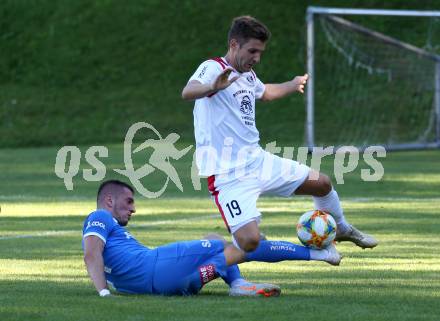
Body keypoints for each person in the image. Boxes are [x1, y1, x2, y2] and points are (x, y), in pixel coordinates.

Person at [181, 16, 378, 255]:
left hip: (258, 161)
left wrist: (292, 84)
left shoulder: (248, 75)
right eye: (252, 51)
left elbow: (265, 92)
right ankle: (215, 246)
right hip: (228, 175)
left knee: (322, 183)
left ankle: (342, 228)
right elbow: (188, 91)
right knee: (249, 241)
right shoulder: (214, 68)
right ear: (234, 45)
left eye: (261, 52)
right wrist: (213, 86)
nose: (257, 58)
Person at [82, 180, 342, 297]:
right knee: (240, 243)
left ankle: (238, 283)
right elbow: (91, 253)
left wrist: (111, 287)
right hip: (157, 265)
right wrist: (103, 292)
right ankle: (320, 253)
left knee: (218, 243)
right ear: (108, 200)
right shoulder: (99, 216)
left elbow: (101, 259)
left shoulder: (115, 240)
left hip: (173, 286)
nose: (133, 208)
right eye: (128, 201)